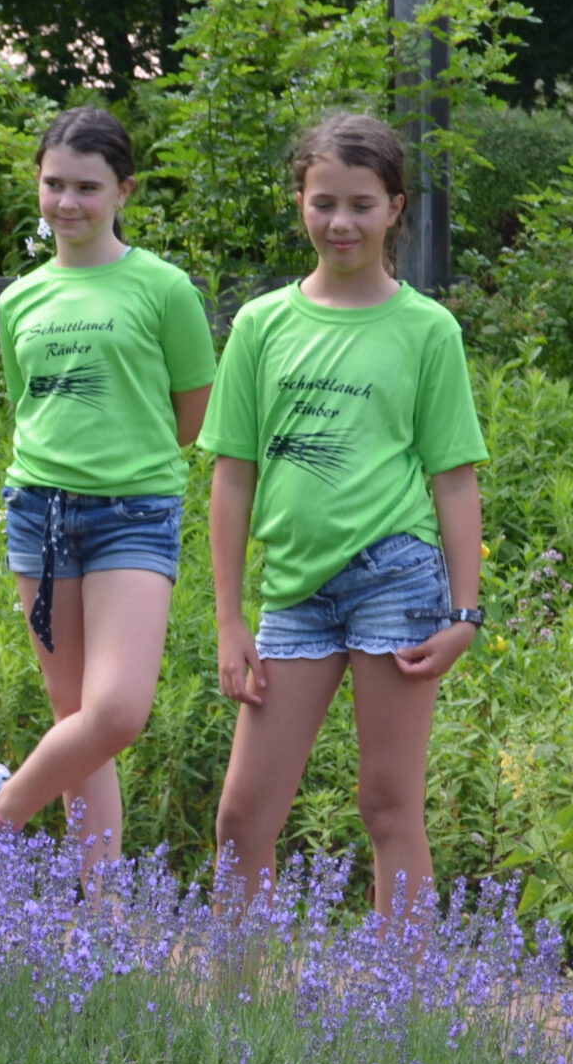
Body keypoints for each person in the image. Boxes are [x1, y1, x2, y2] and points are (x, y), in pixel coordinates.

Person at [201, 114, 488, 918]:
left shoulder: (428, 331)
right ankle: (236, 1014)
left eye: (361, 204)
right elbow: (233, 477)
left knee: (388, 806)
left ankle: (406, 1020)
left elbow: (455, 481)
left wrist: (465, 613)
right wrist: (229, 620)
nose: (340, 222)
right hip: (294, 592)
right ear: (299, 201)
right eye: (323, 201)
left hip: (395, 580)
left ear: (395, 208)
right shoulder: (261, 326)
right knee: (243, 815)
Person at [0, 107, 216, 876]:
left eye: (86, 187)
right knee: (75, 718)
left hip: (134, 514)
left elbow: (191, 408)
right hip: (38, 513)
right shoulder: (21, 300)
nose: (67, 203)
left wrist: (121, 465)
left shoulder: (163, 288)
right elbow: (29, 404)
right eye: (53, 185)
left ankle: (2, 812)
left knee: (115, 714)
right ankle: (99, 917)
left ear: (123, 191)